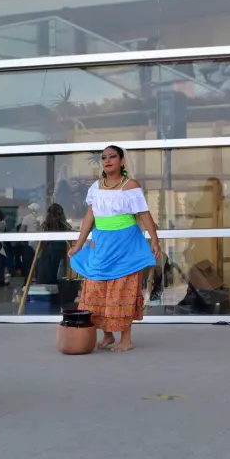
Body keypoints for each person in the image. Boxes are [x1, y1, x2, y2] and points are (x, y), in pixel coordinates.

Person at [69, 145, 160, 352]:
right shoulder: (95, 187)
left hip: (125, 243)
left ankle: (126, 339)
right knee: (95, 290)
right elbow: (89, 217)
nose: (108, 160)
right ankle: (107, 335)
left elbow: (144, 214)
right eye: (104, 157)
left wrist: (154, 240)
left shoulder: (130, 186)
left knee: (122, 290)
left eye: (112, 156)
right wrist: (78, 244)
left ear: (122, 161)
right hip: (101, 243)